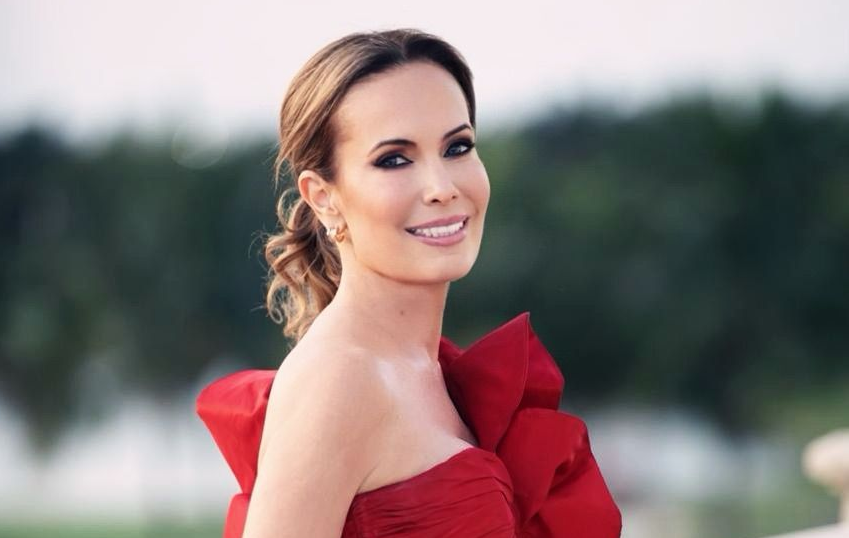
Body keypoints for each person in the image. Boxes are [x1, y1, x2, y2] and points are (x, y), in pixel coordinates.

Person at [196, 28, 622, 538]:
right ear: (323, 196)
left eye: (458, 147)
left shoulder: (430, 372)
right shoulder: (340, 379)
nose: (442, 187)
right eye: (394, 159)